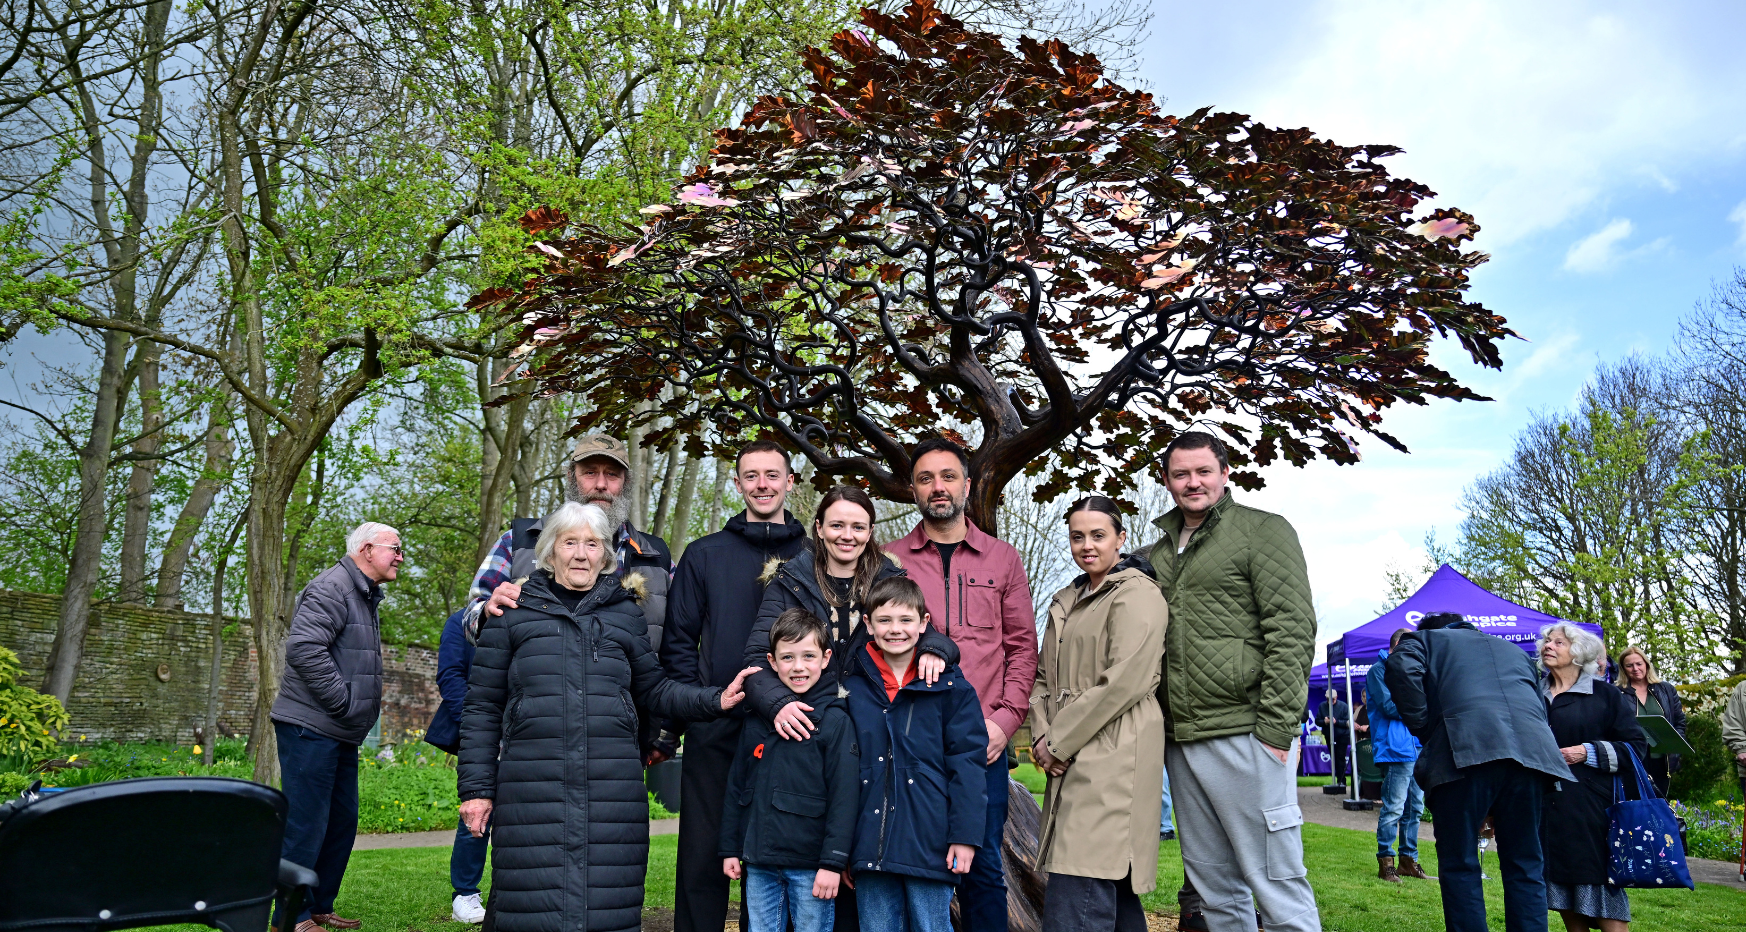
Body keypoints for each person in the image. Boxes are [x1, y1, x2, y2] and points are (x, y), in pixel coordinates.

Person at [456, 502, 758, 932]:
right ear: (550, 551)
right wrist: (476, 791)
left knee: (609, 909)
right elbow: (482, 707)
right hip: (530, 789)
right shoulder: (511, 614)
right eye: (570, 542)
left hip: (612, 789)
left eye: (592, 544)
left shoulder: (624, 614)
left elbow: (655, 690)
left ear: (605, 556)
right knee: (528, 911)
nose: (581, 553)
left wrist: (715, 700)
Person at [741, 485, 960, 932]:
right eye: (837, 525)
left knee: (857, 846)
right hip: (805, 722)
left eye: (857, 526)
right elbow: (754, 659)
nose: (847, 535)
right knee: (813, 852)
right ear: (819, 529)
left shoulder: (888, 575)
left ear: (870, 531)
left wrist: (938, 648)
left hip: (867, 719)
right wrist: (780, 703)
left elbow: (921, 625)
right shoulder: (790, 579)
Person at [1142, 431, 1319, 932]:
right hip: (1182, 736)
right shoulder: (1155, 555)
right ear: (1167, 481)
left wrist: (1275, 729)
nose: (1192, 482)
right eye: (1181, 474)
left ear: (1225, 473)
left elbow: (1292, 628)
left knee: (1276, 884)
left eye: (1203, 471)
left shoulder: (1263, 531)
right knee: (1215, 889)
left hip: (1248, 731)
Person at [886, 438, 1037, 932]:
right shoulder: (888, 561)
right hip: (908, 741)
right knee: (904, 865)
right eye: (926, 478)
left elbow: (1021, 649)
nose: (938, 487)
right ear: (912, 489)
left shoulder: (1002, 560)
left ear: (967, 486)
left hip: (982, 743)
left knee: (983, 867)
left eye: (948, 476)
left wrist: (1003, 722)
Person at [661, 440, 809, 932]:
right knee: (704, 857)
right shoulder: (704, 554)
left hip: (792, 726)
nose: (762, 484)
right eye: (751, 475)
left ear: (791, 481)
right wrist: (695, 709)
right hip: (718, 723)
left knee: (773, 860)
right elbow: (679, 642)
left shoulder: (814, 555)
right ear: (738, 483)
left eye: (772, 475)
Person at [1385, 611, 1574, 932]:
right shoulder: (1513, 651)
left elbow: (1400, 667)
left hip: (1463, 752)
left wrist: (1427, 729)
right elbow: (1538, 705)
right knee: (1526, 866)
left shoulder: (1423, 639)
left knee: (1460, 866)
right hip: (1531, 758)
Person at [1030, 497, 1168, 932]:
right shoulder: (1067, 598)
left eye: (1098, 535)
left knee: (1081, 880)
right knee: (1107, 883)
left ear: (1120, 539)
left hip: (1115, 748)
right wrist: (1040, 737)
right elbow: (1041, 678)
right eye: (1077, 536)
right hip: (1069, 747)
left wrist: (1057, 741)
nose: (1086, 545)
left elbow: (1125, 681)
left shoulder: (1137, 594)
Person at [270, 522, 404, 932]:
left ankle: (318, 906)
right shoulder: (333, 587)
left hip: (338, 731)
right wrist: (343, 704)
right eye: (395, 548)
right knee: (305, 824)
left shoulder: (362, 593)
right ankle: (288, 919)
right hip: (312, 727)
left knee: (341, 821)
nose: (400, 556)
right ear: (366, 549)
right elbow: (304, 650)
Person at [841, 576, 987, 932]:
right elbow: (840, 772)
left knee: (931, 926)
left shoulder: (952, 689)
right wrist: (841, 848)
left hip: (930, 840)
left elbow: (968, 765)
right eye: (885, 620)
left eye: (906, 620)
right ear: (868, 625)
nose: (896, 630)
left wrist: (964, 837)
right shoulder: (850, 689)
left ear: (923, 624)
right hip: (868, 843)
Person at [465, 432, 673, 666]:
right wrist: (485, 612)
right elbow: (469, 622)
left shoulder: (657, 557)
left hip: (637, 701)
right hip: (537, 698)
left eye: (612, 474)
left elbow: (680, 646)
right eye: (590, 472)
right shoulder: (520, 541)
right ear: (572, 477)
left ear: (625, 482)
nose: (601, 484)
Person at [720, 608, 859, 932]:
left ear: (825, 659)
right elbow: (736, 788)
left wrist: (832, 862)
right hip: (760, 862)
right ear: (772, 661)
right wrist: (730, 849)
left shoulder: (836, 721)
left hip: (811, 866)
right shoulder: (757, 722)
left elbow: (845, 796)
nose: (798, 667)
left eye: (808, 656)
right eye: (788, 657)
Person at [1539, 623, 1647, 932]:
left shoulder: (1605, 695)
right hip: (1545, 808)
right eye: (1547, 641)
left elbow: (1636, 749)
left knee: (1601, 890)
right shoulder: (1533, 692)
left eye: (1559, 642)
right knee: (1561, 893)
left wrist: (1584, 752)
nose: (1549, 645)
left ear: (1578, 652)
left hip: (1591, 811)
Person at [425, 607, 488, 923]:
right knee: (477, 812)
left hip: (527, 730)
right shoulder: (461, 622)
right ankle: (465, 894)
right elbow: (450, 675)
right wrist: (475, 725)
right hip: (479, 732)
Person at [1367, 628, 1427, 884]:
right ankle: (1386, 862)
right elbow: (1389, 706)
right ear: (1397, 646)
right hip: (1396, 747)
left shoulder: (1411, 670)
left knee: (1415, 808)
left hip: (1416, 746)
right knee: (1393, 807)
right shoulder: (1378, 671)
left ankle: (1408, 860)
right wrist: (1422, 707)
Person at [1614, 645, 1686, 799]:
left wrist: (1675, 746)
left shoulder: (1666, 689)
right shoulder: (1616, 693)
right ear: (1623, 669)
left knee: (1659, 805)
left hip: (1662, 759)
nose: (1635, 668)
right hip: (1633, 759)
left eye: (1639, 664)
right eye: (1629, 665)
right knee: (1636, 804)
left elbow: (1679, 721)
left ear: (1646, 664)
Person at [1317, 689, 1353, 788]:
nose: (1331, 701)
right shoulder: (1322, 706)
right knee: (1334, 758)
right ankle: (1339, 780)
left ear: (1336, 698)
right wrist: (1324, 722)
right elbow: (1317, 721)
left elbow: (1348, 722)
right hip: (1329, 735)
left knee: (1340, 758)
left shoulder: (1343, 706)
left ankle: (1342, 781)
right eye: (1328, 699)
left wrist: (1335, 722)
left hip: (1342, 736)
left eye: (1332, 699)